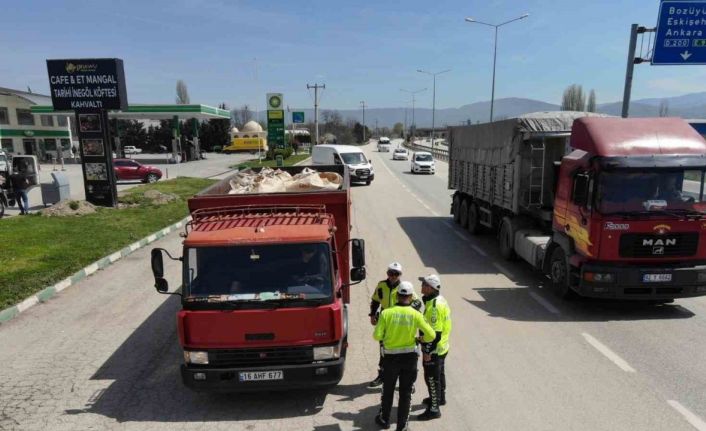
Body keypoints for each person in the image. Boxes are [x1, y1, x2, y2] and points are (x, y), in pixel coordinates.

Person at [373, 281, 435, 431]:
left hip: (390, 359)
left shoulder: (386, 313)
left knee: (388, 390)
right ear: (411, 296)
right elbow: (431, 335)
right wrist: (420, 339)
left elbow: (377, 336)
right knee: (406, 393)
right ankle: (402, 427)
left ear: (397, 295)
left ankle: (384, 420)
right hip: (410, 359)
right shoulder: (416, 314)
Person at [369, 262, 422, 387]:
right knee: (383, 349)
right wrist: (372, 315)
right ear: (387, 273)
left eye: (396, 274)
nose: (393, 276)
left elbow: (417, 302)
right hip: (385, 321)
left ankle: (408, 381)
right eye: (390, 273)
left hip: (400, 323)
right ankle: (382, 375)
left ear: (400, 275)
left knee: (404, 351)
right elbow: (375, 300)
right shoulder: (381, 285)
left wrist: (406, 309)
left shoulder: (404, 287)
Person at [416, 274, 452, 421]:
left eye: (424, 284)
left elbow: (435, 334)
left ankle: (434, 409)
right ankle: (440, 399)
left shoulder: (434, 307)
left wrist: (427, 351)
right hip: (443, 347)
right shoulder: (437, 300)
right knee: (439, 375)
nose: (421, 286)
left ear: (430, 288)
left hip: (435, 349)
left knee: (431, 378)